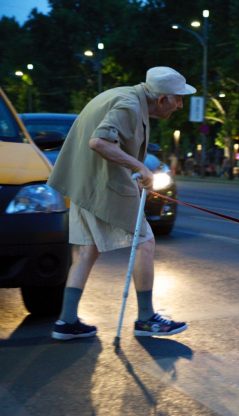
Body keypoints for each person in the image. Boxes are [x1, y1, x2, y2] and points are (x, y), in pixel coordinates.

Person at [47, 66, 194, 341]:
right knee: (145, 242)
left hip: (84, 183)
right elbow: (98, 142)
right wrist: (140, 166)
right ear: (162, 99)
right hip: (101, 183)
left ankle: (66, 322)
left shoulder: (124, 96)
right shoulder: (129, 105)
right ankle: (147, 319)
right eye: (178, 98)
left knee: (88, 250)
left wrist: (132, 168)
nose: (180, 104)